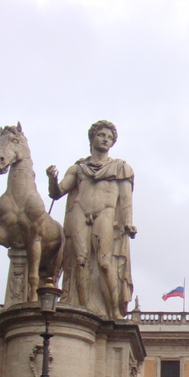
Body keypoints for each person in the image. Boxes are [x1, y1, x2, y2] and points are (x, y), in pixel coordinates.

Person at [47, 120, 135, 320]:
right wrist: (52, 179)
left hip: (106, 212)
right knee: (79, 260)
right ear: (92, 137)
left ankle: (114, 311)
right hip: (79, 210)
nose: (105, 140)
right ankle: (83, 310)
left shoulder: (120, 168)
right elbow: (58, 192)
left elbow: (125, 199)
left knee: (105, 263)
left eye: (109, 137)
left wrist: (128, 221)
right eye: (101, 135)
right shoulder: (78, 168)